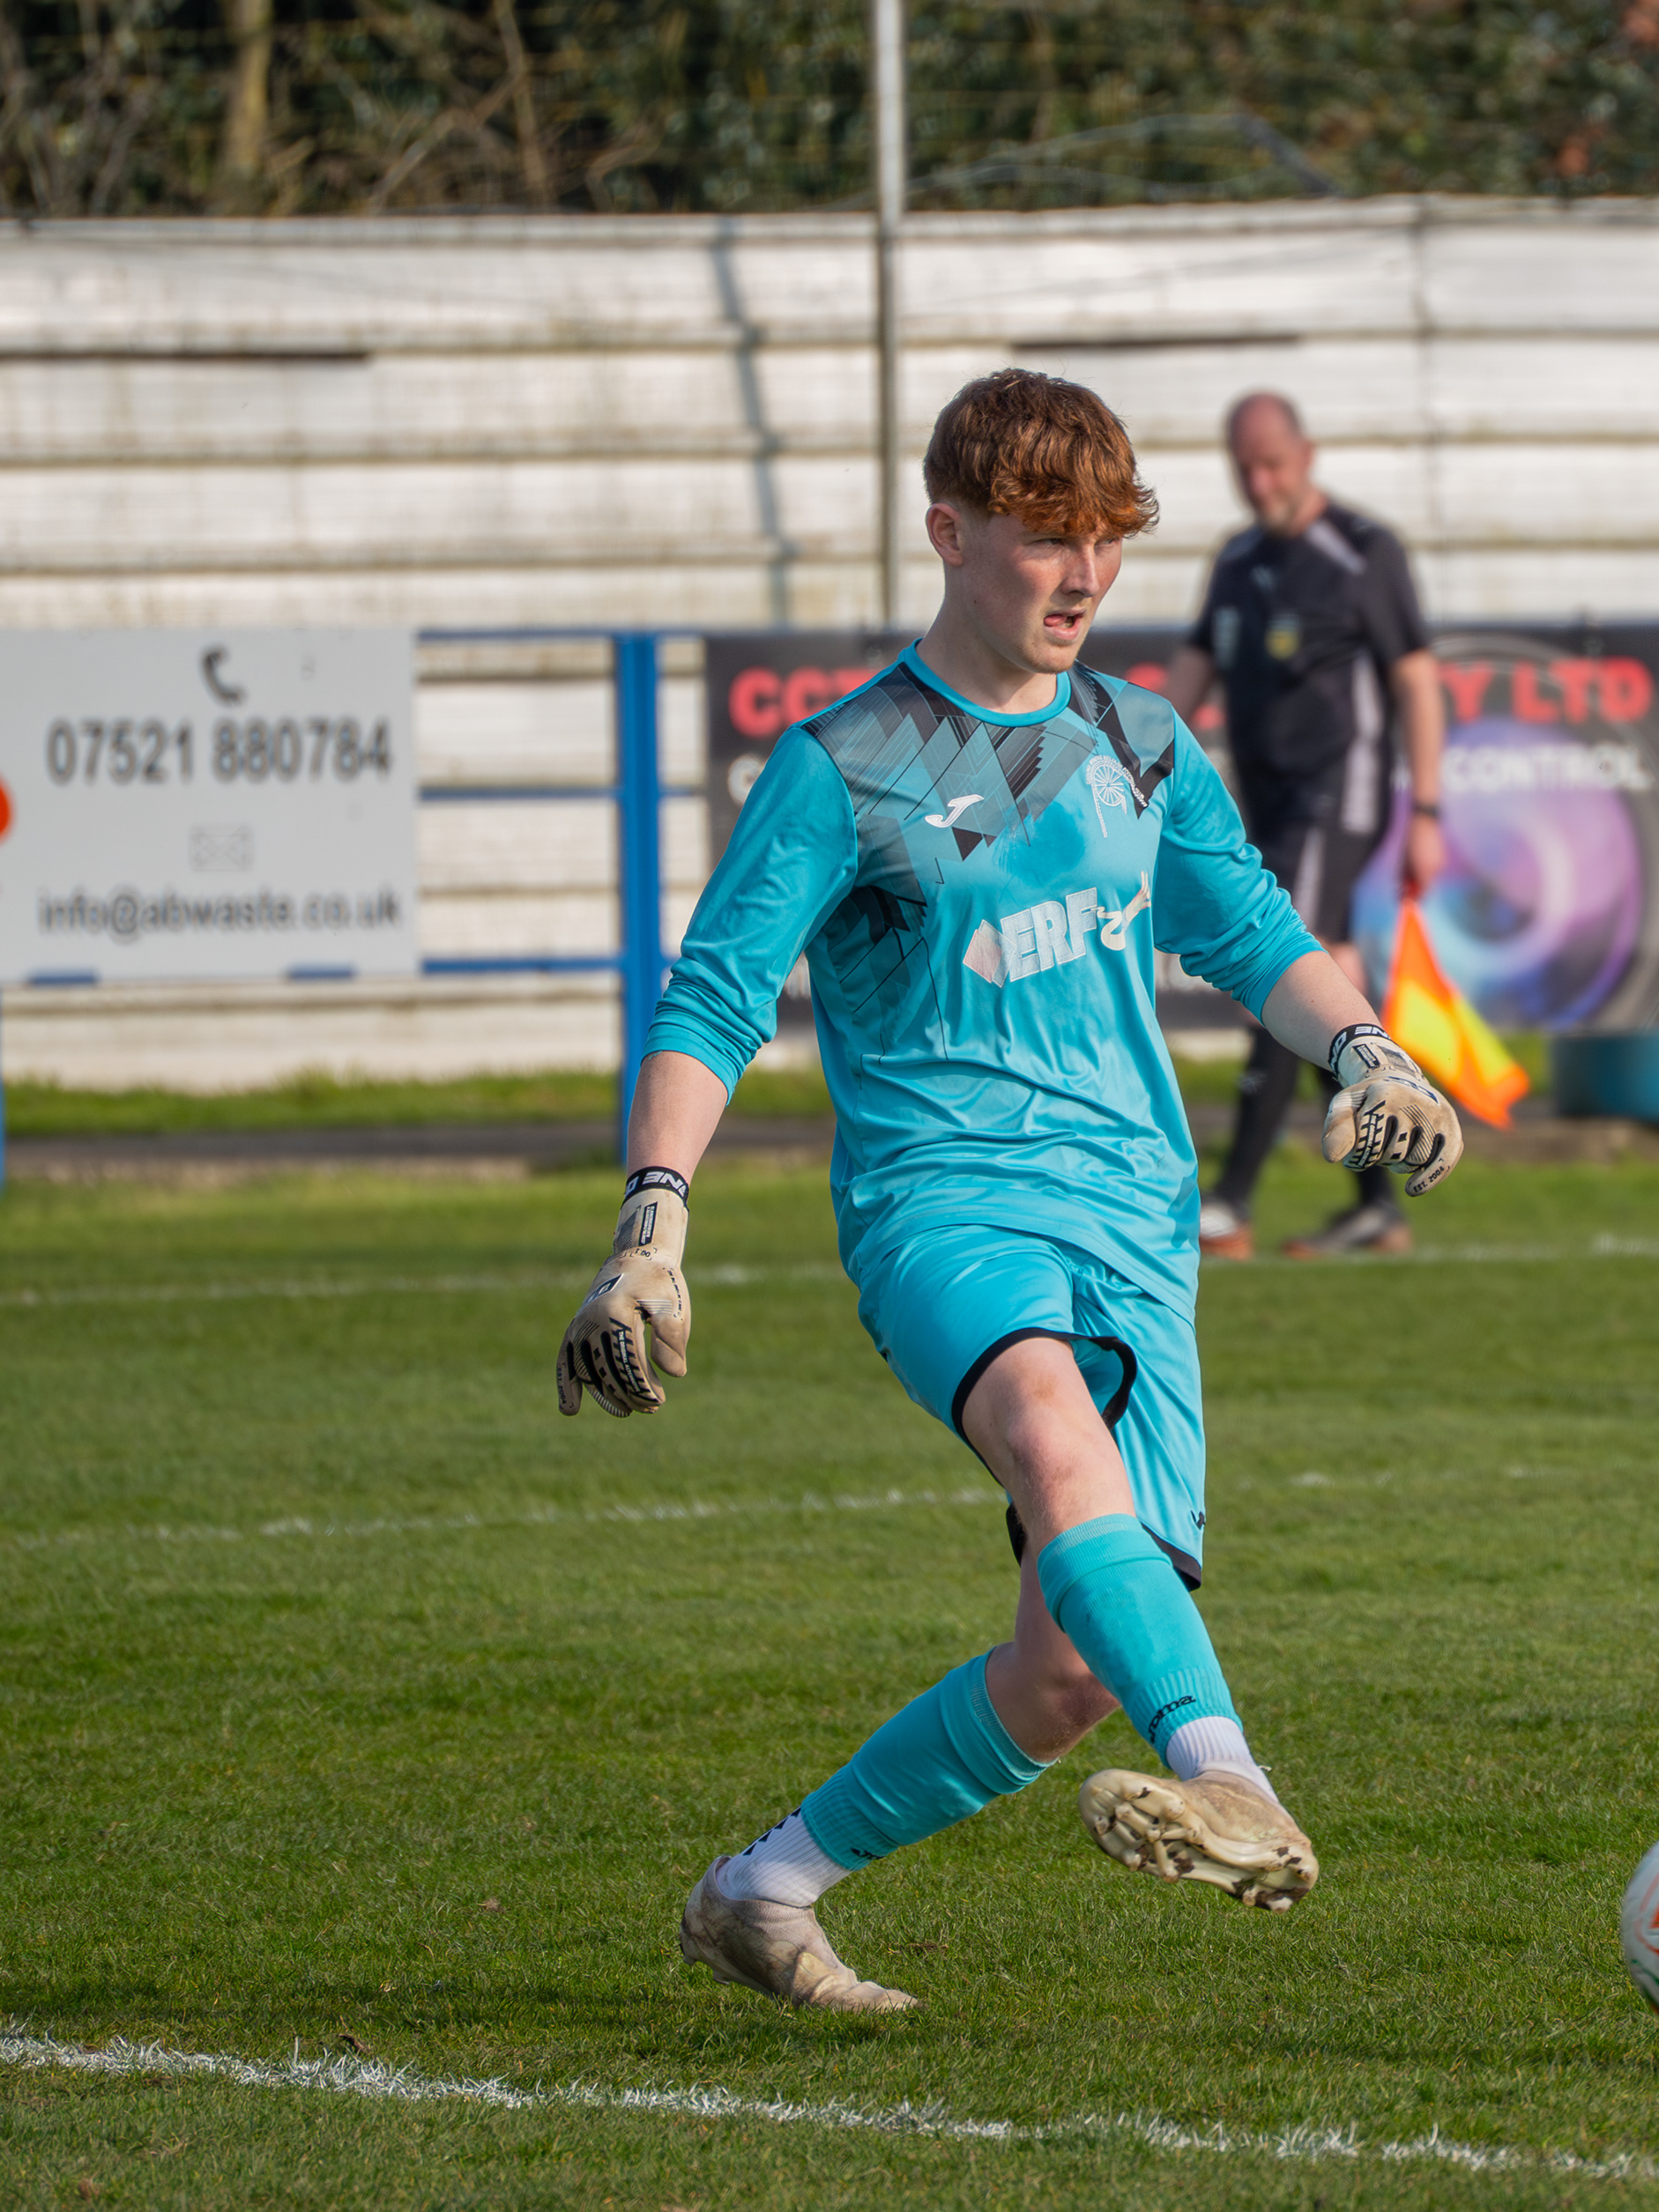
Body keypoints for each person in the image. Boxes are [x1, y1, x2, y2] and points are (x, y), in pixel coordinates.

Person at [557, 368, 1462, 2013]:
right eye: (1048, 539)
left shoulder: (1139, 739)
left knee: (1066, 1676)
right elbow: (713, 997)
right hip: (944, 1207)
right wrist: (652, 1223)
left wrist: (1370, 1055)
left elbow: (1251, 930)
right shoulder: (845, 765)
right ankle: (1239, 1785)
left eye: (1107, 540)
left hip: (1138, 1225)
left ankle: (764, 1891)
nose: (1084, 575)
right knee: (1050, 1431)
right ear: (949, 532)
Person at [1165, 394, 1449, 1258]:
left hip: (1340, 791)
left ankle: (1231, 1201)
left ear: (1307, 454)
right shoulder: (1238, 558)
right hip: (1269, 802)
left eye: (1273, 464)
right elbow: (1193, 669)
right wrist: (1134, 763)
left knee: (1285, 966)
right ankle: (1378, 1200)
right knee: (1333, 984)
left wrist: (1428, 809)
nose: (1260, 483)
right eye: (1245, 468)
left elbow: (1416, 680)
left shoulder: (1362, 550)